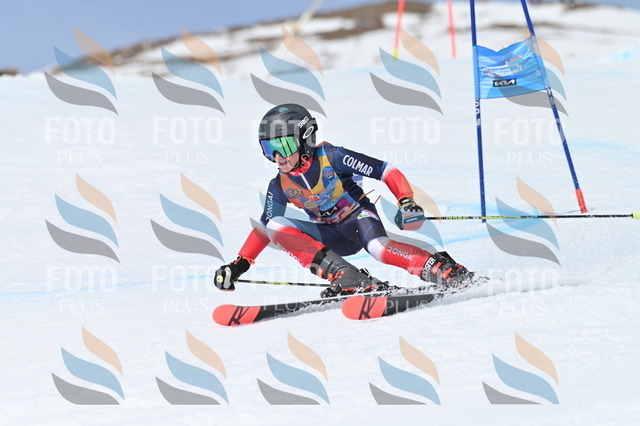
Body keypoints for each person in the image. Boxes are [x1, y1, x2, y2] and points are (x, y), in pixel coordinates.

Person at [214, 103, 471, 297]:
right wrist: (239, 265)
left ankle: (440, 268)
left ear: (305, 139)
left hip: (359, 219)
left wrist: (406, 201)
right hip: (331, 236)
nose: (278, 157)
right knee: (275, 225)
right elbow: (263, 229)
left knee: (379, 249)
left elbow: (385, 170)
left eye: (284, 146)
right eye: (269, 149)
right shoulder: (280, 185)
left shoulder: (332, 156)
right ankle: (348, 277)